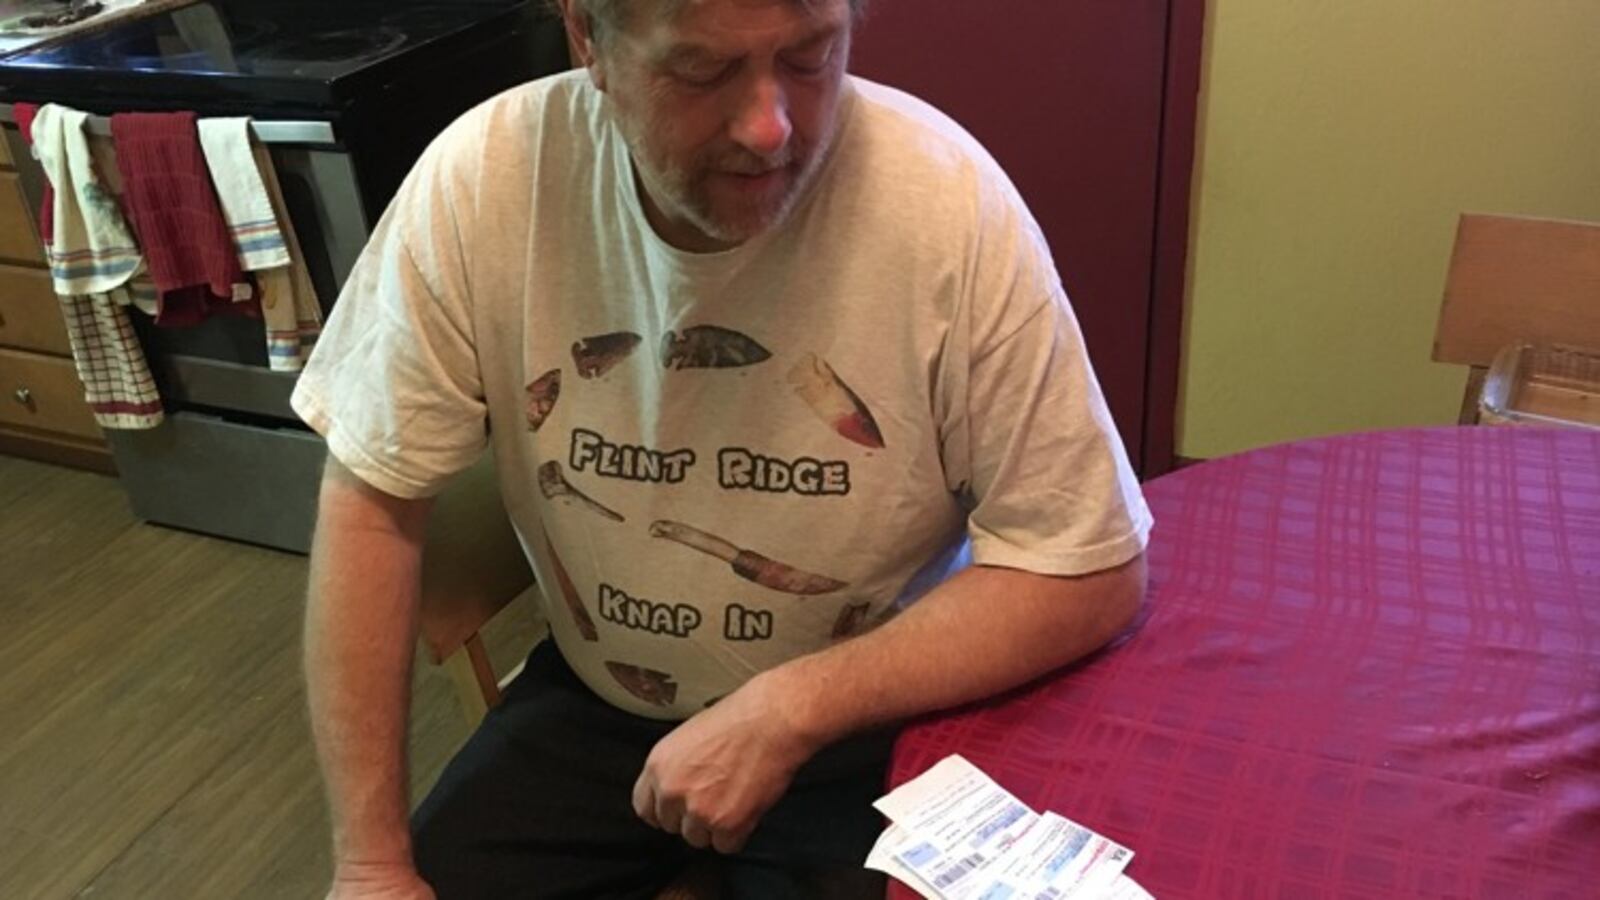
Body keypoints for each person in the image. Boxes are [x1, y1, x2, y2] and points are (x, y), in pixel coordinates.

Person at [293, 0, 1154, 897]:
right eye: (702, 72)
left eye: (814, 56)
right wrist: (369, 862)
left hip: (876, 717)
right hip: (601, 706)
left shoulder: (946, 200)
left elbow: (1086, 568)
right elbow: (371, 508)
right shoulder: (487, 177)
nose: (770, 127)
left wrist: (791, 708)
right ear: (588, 36)